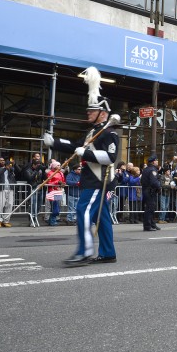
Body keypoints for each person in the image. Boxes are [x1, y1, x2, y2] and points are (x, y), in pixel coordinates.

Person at [42, 66, 119, 265]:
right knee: (102, 218)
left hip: (98, 180)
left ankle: (84, 252)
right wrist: (55, 142)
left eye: (92, 110)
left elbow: (110, 157)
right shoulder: (93, 131)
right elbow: (76, 146)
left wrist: (87, 153)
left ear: (103, 113)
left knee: (83, 211)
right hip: (92, 180)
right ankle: (108, 253)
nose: (88, 113)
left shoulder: (109, 133)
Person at [0, 157, 20, 228]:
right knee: (0, 204)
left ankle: (6, 220)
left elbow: (19, 172)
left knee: (10, 204)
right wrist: (4, 168)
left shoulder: (10, 169)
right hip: (1, 189)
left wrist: (14, 165)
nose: (2, 162)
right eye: (1, 161)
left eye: (3, 160)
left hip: (10, 189)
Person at [141, 155, 161, 231]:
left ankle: (152, 224)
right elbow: (154, 182)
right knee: (150, 208)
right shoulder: (152, 170)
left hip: (147, 190)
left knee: (151, 208)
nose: (157, 162)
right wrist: (159, 187)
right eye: (156, 160)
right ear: (153, 162)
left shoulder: (146, 169)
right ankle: (147, 226)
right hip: (150, 191)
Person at [45, 160, 66, 226]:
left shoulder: (61, 173)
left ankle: (52, 219)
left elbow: (63, 181)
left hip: (58, 191)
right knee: (54, 206)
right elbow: (48, 182)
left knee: (57, 206)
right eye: (58, 165)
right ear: (54, 166)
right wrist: (56, 183)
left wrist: (63, 184)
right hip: (52, 191)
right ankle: (52, 220)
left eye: (60, 165)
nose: (59, 166)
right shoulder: (50, 173)